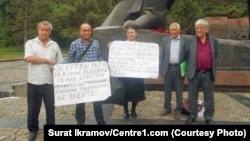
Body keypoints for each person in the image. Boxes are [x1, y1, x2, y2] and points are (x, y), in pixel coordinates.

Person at [24, 21, 63, 141]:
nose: (44, 32)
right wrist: (47, 60)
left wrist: (55, 67)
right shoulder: (31, 43)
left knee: (51, 109)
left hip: (49, 83)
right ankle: (33, 129)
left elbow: (59, 62)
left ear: (50, 32)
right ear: (38, 30)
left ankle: (51, 130)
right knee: (33, 109)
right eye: (42, 30)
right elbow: (29, 58)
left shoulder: (54, 45)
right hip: (34, 82)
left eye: (47, 30)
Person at [62, 23, 107, 125]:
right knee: (80, 102)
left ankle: (101, 121)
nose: (86, 32)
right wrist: (59, 67)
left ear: (91, 32)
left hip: (94, 78)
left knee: (97, 101)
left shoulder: (95, 43)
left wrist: (104, 64)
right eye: (84, 30)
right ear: (80, 31)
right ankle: (80, 122)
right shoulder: (74, 44)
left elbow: (99, 56)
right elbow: (70, 58)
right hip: (81, 79)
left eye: (88, 30)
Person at [185, 18, 218, 125]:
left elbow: (215, 55)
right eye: (196, 28)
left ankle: (208, 117)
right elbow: (186, 56)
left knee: (209, 96)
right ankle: (192, 115)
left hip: (208, 74)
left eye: (200, 28)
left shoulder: (213, 41)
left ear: (206, 29)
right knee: (192, 96)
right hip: (194, 73)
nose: (198, 30)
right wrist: (189, 70)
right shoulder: (190, 41)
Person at [159, 23, 188, 120]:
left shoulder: (185, 41)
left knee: (179, 90)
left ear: (179, 30)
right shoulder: (165, 41)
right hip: (168, 68)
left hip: (179, 68)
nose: (173, 32)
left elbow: (188, 56)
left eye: (175, 30)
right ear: (169, 30)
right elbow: (162, 56)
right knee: (167, 90)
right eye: (171, 30)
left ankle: (178, 110)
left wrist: (186, 70)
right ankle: (167, 108)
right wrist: (161, 70)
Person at [118, 26, 146, 119]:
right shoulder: (120, 45)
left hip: (136, 74)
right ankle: (125, 111)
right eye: (129, 32)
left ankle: (133, 110)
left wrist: (155, 49)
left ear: (135, 34)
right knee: (124, 92)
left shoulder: (141, 46)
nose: (130, 34)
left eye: (132, 32)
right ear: (127, 34)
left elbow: (146, 56)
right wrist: (112, 46)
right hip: (124, 75)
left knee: (136, 92)